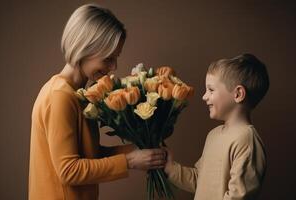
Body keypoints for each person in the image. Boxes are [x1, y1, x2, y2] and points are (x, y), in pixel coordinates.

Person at [28, 4, 166, 200]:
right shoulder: (60, 96)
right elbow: (69, 171)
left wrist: (140, 150)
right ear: (84, 48)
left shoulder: (78, 94)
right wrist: (129, 161)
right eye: (108, 58)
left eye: (115, 58)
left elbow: (89, 155)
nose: (113, 67)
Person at [164, 53, 269, 200]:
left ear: (238, 94)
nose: (204, 96)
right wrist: (169, 168)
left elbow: (238, 196)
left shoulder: (247, 140)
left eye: (211, 90)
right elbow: (199, 180)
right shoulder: (213, 135)